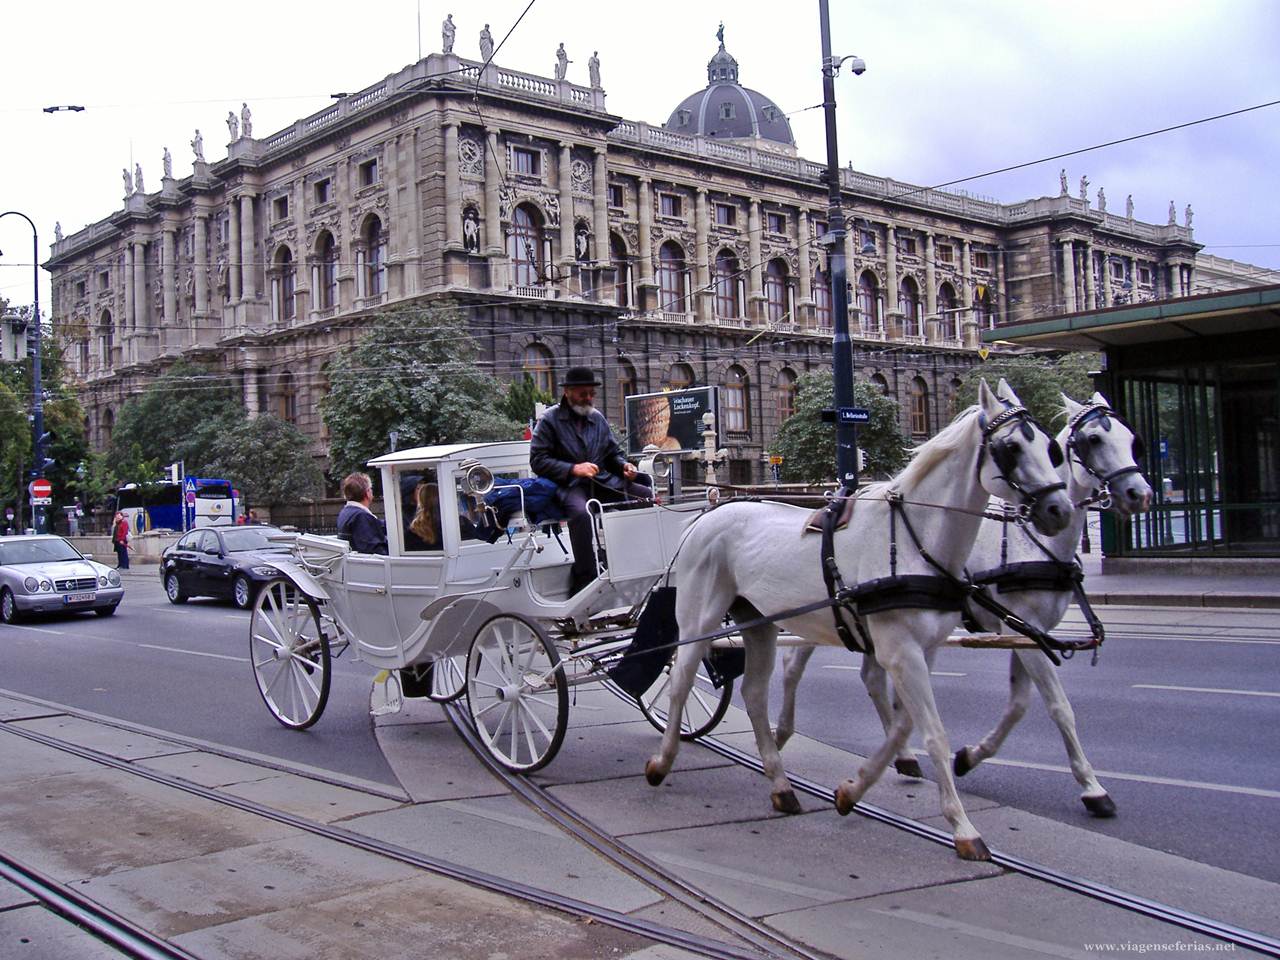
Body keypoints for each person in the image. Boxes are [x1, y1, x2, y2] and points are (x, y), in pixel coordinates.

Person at [530, 367, 651, 593]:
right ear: (567, 392)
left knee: (644, 496)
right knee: (581, 513)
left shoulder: (597, 418)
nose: (588, 398)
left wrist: (625, 466)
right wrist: (574, 468)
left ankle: (637, 560)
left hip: (600, 482)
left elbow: (612, 454)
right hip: (567, 486)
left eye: (591, 393)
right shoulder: (549, 420)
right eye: (583, 393)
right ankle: (584, 578)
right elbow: (537, 461)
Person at [336, 472, 388, 554]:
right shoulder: (361, 516)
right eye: (371, 489)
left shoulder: (346, 512)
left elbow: (378, 524)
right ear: (367, 493)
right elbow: (374, 550)